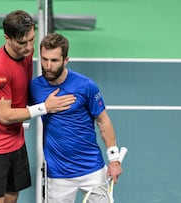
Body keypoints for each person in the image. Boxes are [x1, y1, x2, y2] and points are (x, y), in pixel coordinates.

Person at [0, 10, 76, 203]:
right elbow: (4, 116)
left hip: (15, 141)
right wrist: (44, 107)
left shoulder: (26, 52)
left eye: (32, 39)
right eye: (22, 42)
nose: (29, 47)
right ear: (7, 38)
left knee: (11, 197)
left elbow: (22, 90)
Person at [29, 33, 123, 203]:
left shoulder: (86, 86)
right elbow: (17, 112)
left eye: (54, 60)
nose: (48, 66)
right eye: (44, 59)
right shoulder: (35, 87)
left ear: (66, 60)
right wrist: (44, 107)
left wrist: (114, 159)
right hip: (58, 175)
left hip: (92, 170)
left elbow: (103, 120)